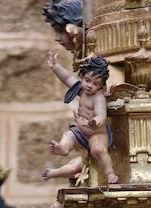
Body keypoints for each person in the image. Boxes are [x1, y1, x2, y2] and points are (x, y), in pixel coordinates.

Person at [44, 54, 119, 184]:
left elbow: (101, 115)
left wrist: (95, 122)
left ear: (101, 86)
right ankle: (63, 148)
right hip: (81, 130)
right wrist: (55, 66)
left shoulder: (98, 98)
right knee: (68, 134)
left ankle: (110, 173)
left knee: (98, 150)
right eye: (87, 80)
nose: (90, 86)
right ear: (82, 77)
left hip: (97, 133)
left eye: (96, 84)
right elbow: (67, 78)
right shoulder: (81, 89)